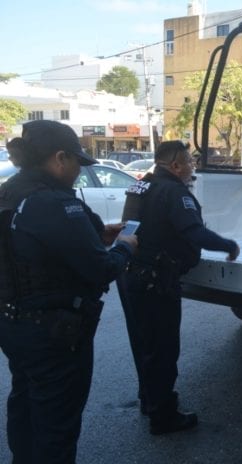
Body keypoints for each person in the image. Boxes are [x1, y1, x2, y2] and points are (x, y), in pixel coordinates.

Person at [0, 120, 137, 464]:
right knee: (56, 426)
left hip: (14, 324)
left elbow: (34, 246)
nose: (79, 172)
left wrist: (99, 235)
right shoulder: (54, 203)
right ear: (60, 158)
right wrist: (124, 246)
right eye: (77, 162)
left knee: (25, 404)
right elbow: (101, 269)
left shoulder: (10, 191)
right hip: (54, 333)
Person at [117, 140, 240, 435]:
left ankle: (150, 400)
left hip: (132, 274)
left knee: (144, 345)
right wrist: (228, 245)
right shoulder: (173, 192)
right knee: (163, 349)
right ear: (175, 166)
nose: (192, 167)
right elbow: (194, 232)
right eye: (189, 162)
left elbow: (130, 226)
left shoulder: (141, 185)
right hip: (155, 281)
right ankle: (164, 416)